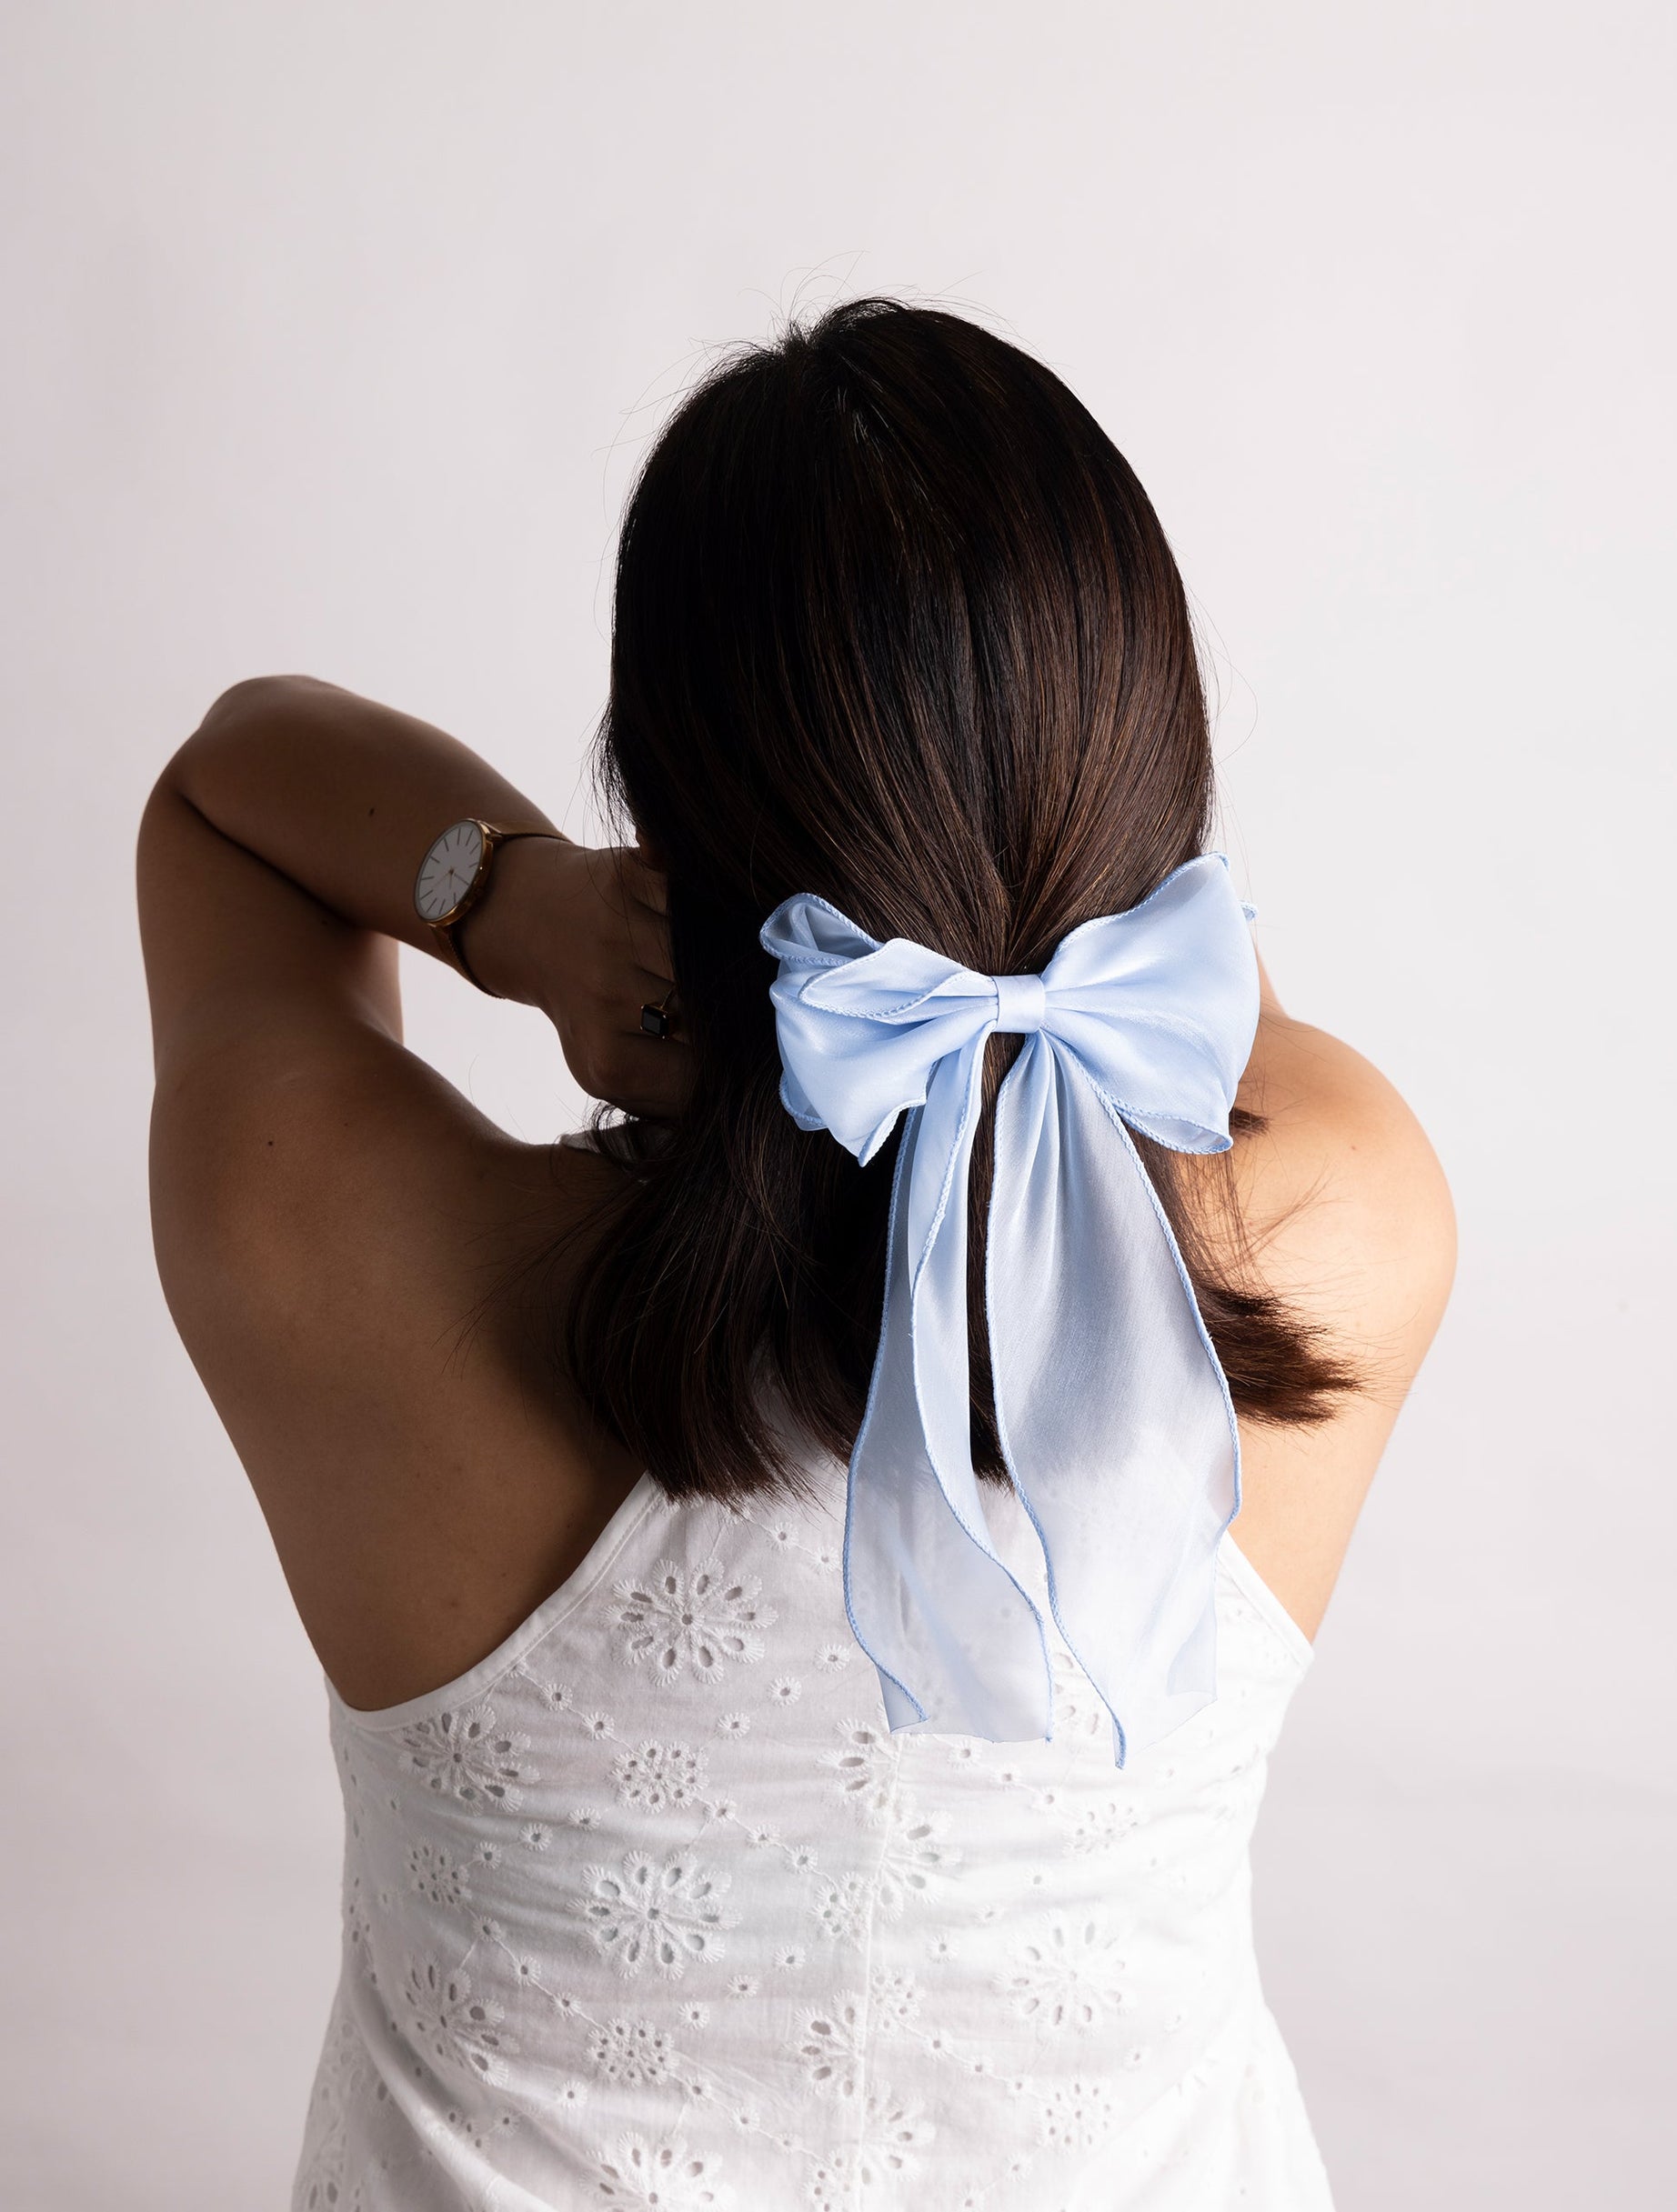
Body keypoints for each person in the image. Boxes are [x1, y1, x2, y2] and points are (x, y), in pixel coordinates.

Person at [138, 300, 1454, 2211]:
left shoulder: (335, 1246)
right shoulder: (1343, 1218)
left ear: (657, 812)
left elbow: (230, 775)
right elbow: (1188, 985)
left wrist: (509, 899)